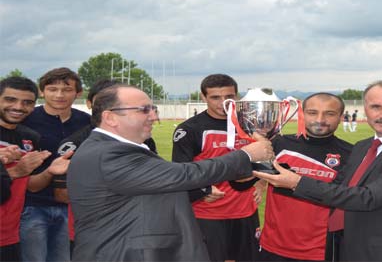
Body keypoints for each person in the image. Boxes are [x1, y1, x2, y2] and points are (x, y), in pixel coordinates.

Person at [68, 84, 274, 261]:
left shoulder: (114, 148)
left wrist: (203, 189)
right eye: (144, 110)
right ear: (110, 117)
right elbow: (182, 175)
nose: (154, 116)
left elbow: (158, 186)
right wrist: (245, 155)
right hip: (121, 254)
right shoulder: (110, 154)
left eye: (153, 109)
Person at [254, 79, 382, 261]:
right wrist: (269, 171)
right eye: (375, 107)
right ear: (366, 109)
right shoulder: (363, 147)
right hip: (344, 247)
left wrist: (296, 182)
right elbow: (336, 185)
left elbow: (368, 197)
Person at [51, 79, 158, 254]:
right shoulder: (74, 143)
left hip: (135, 228)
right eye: (103, 101)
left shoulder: (144, 139)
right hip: (92, 232)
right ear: (90, 104)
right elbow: (61, 195)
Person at [172, 73, 264, 261]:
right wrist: (201, 189)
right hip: (208, 214)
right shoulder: (190, 130)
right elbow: (180, 173)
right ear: (203, 97)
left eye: (228, 97)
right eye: (215, 97)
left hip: (246, 212)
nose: (223, 102)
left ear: (236, 97)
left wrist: (262, 181)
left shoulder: (250, 125)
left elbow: (266, 157)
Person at [258, 92, 353, 262]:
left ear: (340, 117)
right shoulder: (278, 144)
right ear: (302, 114)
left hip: (321, 251)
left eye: (329, 113)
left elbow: (347, 199)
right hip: (273, 246)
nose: (320, 119)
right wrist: (254, 151)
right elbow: (241, 183)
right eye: (312, 112)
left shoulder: (351, 154)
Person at [0, 77, 72, 262]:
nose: (18, 107)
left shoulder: (29, 137)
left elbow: (30, 185)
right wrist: (16, 171)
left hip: (10, 233)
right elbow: (17, 174)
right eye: (10, 99)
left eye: (27, 102)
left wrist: (50, 172)